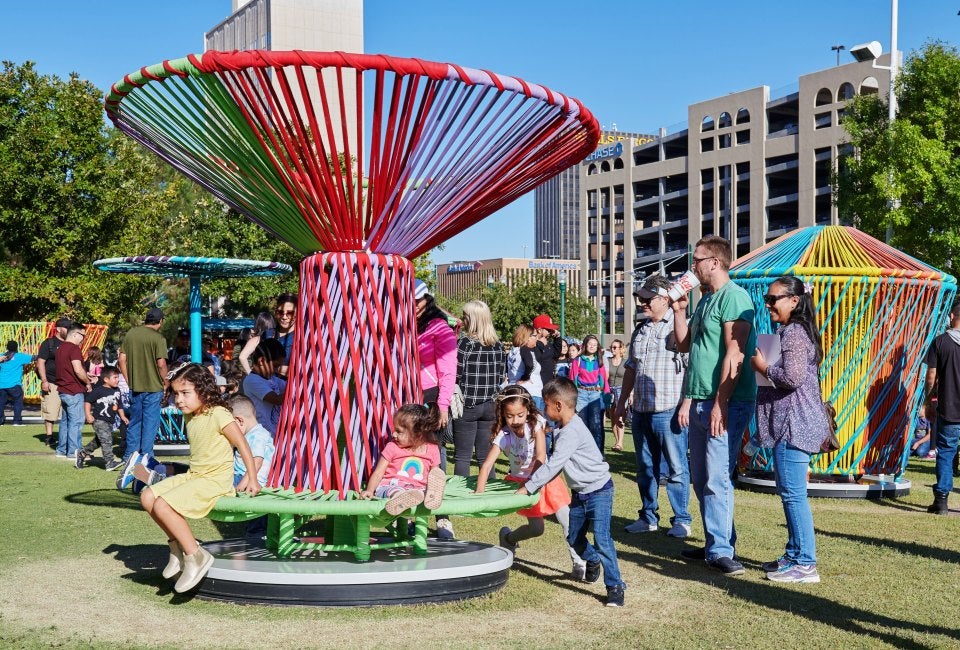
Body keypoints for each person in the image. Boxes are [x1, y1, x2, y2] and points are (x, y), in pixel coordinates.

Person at [673, 235, 757, 576]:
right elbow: (682, 345)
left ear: (715, 263)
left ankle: (721, 550)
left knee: (717, 477)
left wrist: (721, 404)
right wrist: (679, 309)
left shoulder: (734, 297)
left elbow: (735, 354)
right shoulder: (705, 301)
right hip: (700, 400)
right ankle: (716, 543)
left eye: (697, 259)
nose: (692, 265)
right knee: (701, 476)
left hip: (727, 402)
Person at [137, 363, 260, 593]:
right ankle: (176, 548)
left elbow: (242, 445)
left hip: (215, 481)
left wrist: (252, 478)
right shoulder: (191, 416)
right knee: (147, 496)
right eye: (175, 394)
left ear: (203, 390)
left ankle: (196, 556)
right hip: (195, 476)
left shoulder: (219, 414)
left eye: (185, 393)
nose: (179, 400)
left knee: (164, 505)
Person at [515, 378, 625, 607]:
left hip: (599, 491)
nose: (544, 410)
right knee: (574, 537)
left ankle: (615, 586)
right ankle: (592, 560)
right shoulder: (563, 428)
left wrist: (529, 486)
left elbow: (554, 465)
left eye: (546, 405)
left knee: (602, 539)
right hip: (580, 494)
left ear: (558, 406)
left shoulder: (571, 432)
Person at [751, 275, 830, 583]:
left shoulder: (794, 333)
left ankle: (805, 564)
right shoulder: (791, 330)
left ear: (794, 301)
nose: (768, 304)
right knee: (789, 493)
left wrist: (763, 368)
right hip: (793, 423)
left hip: (795, 424)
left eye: (773, 300)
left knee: (793, 495)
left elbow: (793, 377)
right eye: (767, 299)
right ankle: (795, 554)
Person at [476, 385, 585, 579]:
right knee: (537, 529)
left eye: (520, 415)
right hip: (522, 484)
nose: (515, 420)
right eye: (510, 416)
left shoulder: (536, 425)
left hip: (544, 479)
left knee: (567, 519)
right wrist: (479, 494)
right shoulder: (504, 436)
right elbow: (486, 466)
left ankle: (579, 562)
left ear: (528, 411)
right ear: (502, 414)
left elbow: (541, 456)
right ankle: (509, 538)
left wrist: (534, 484)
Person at [614, 275, 693, 539]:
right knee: (645, 468)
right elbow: (631, 368)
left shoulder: (680, 326)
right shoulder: (641, 329)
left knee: (676, 468)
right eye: (640, 298)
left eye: (647, 299)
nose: (642, 303)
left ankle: (681, 520)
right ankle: (648, 516)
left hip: (670, 409)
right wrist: (622, 402)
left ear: (663, 298)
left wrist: (687, 403)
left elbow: (693, 368)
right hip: (642, 411)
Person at [414, 279, 457, 540]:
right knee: (410, 455)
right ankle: (413, 512)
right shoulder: (408, 326)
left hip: (431, 397)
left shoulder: (440, 328)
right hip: (409, 396)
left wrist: (442, 406)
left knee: (435, 456)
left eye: (417, 301)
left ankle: (442, 517)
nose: (413, 306)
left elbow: (448, 370)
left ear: (427, 299)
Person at [360, 403, 447, 516]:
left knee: (423, 492)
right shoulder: (392, 446)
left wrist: (434, 485)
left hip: (417, 491)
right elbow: (378, 472)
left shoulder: (432, 449)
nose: (394, 434)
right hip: (390, 486)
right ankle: (399, 499)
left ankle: (431, 496)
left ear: (418, 434)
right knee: (396, 491)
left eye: (399, 431)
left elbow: (435, 474)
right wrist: (370, 490)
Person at [452, 300, 505, 478]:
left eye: (465, 316)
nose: (462, 319)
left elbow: (456, 374)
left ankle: (462, 496)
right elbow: (500, 376)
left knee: (462, 456)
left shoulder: (465, 343)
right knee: (485, 456)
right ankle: (488, 492)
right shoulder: (497, 345)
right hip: (490, 404)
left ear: (472, 319)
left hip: (468, 404)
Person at [923, 300, 960, 515]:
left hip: (950, 408)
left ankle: (942, 501)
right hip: (950, 409)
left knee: (945, 453)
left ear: (952, 316)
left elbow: (931, 377)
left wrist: (928, 401)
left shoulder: (940, 342)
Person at [119, 308, 169, 464]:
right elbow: (161, 364)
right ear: (160, 321)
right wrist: (166, 382)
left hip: (136, 387)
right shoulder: (158, 338)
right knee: (150, 424)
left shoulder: (131, 334)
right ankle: (146, 457)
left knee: (135, 421)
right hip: (154, 387)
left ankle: (129, 456)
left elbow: (121, 360)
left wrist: (129, 380)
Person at [228, 394, 275, 539]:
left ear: (239, 421)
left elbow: (257, 462)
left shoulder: (258, 436)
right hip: (245, 477)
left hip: (250, 480)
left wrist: (243, 482)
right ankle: (256, 532)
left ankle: (256, 534)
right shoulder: (251, 434)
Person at [77, 366, 128, 470]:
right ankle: (110, 463)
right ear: (106, 379)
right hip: (99, 420)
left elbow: (120, 405)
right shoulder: (98, 390)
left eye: (118, 377)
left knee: (99, 441)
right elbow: (87, 401)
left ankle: (82, 453)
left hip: (110, 421)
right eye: (115, 377)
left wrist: (122, 416)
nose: (117, 380)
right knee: (107, 440)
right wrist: (88, 415)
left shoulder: (117, 390)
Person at [55, 324, 92, 460]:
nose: (83, 339)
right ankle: (74, 452)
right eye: (83, 336)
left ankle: (61, 450)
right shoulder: (74, 348)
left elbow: (69, 369)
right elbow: (77, 369)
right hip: (74, 390)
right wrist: (87, 382)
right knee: (76, 422)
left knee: (65, 422)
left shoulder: (60, 349)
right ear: (75, 334)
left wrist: (86, 375)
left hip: (63, 390)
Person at [568, 335, 610, 453]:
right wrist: (572, 397)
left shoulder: (600, 360)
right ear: (585, 345)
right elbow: (572, 379)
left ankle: (597, 455)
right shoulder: (578, 360)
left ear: (597, 347)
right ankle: (582, 454)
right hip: (581, 395)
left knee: (596, 426)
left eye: (595, 345)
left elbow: (604, 380)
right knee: (582, 426)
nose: (592, 346)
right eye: (590, 344)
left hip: (595, 395)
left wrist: (606, 397)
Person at [36, 318, 71, 447]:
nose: (69, 330)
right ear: (58, 329)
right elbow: (40, 362)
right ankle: (49, 437)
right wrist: (44, 381)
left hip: (67, 383)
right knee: (50, 412)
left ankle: (66, 436)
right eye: (67, 328)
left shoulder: (70, 343)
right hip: (52, 382)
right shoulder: (48, 343)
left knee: (67, 412)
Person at [241, 339, 286, 435]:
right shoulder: (252, 380)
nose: (276, 370)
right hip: (263, 435)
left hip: (275, 433)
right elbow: (276, 399)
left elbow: (288, 386)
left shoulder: (272, 379)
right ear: (261, 361)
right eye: (275, 366)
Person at [531, 314, 563, 407]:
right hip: (537, 389)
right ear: (539, 330)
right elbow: (534, 358)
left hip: (548, 387)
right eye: (548, 329)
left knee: (550, 419)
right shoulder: (532, 344)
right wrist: (540, 343)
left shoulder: (548, 344)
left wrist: (557, 338)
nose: (551, 331)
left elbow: (556, 353)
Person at [0, 340, 33, 426]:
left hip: (1, 384)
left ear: (7, 347)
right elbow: (34, 358)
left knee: (1, 402)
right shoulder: (20, 356)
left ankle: (0, 421)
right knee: (18, 401)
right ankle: (17, 421)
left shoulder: (1, 356)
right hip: (14, 384)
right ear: (16, 348)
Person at [605, 339, 627, 451]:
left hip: (621, 390)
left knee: (620, 416)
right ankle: (616, 440)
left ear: (620, 349)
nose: (612, 349)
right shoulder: (607, 361)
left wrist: (631, 393)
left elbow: (629, 378)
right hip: (609, 390)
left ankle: (620, 443)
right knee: (612, 417)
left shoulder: (625, 362)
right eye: (611, 347)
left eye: (615, 347)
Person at [273, 293, 298, 374]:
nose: (284, 317)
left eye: (290, 313)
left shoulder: (302, 338)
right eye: (280, 312)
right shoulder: (268, 334)